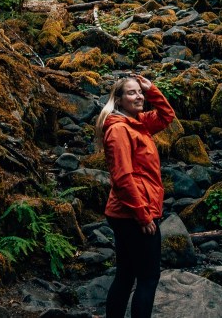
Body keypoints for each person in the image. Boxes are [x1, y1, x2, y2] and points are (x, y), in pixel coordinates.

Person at [94, 74, 176, 318]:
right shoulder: (119, 130)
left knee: (127, 274)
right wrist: (143, 216)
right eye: (132, 92)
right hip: (133, 212)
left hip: (130, 211)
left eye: (139, 92)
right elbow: (122, 178)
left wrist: (152, 91)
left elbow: (166, 116)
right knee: (148, 278)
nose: (138, 96)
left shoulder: (138, 122)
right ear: (118, 100)